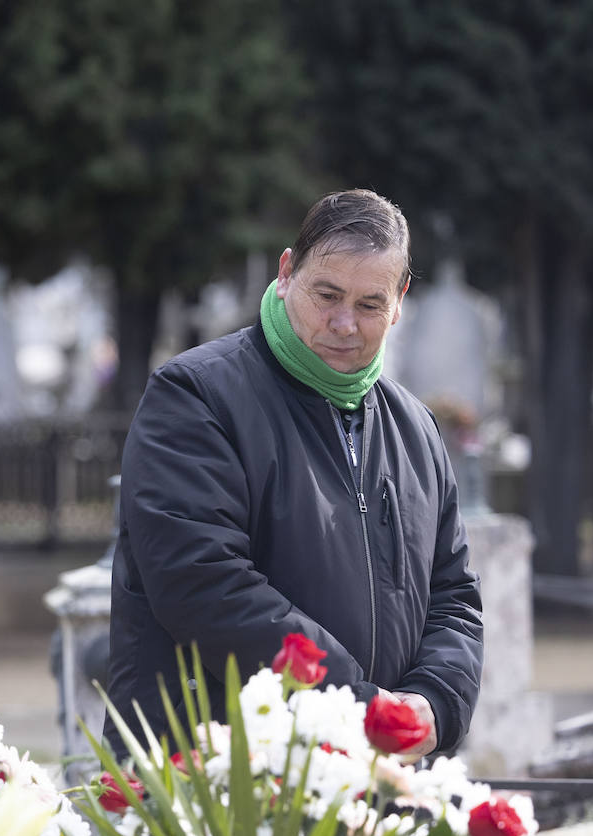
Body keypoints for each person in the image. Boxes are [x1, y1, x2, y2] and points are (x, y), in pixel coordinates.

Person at [104, 188, 483, 763]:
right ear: (287, 272)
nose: (343, 323)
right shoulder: (196, 396)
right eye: (326, 294)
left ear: (400, 300)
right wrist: (357, 706)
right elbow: (201, 581)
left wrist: (434, 701)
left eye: (369, 304)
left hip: (377, 778)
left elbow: (453, 593)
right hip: (220, 773)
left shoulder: (416, 428)